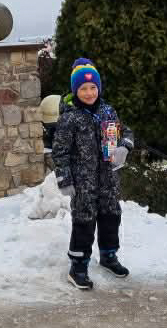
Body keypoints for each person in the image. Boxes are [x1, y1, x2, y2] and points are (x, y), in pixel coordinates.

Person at [51, 58, 134, 290]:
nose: (89, 93)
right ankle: (78, 267)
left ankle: (109, 256)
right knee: (84, 222)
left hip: (109, 179)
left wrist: (124, 147)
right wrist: (64, 179)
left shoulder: (108, 111)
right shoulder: (69, 118)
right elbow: (60, 152)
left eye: (93, 87)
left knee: (111, 217)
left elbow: (125, 132)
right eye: (83, 88)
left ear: (99, 88)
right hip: (83, 183)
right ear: (75, 90)